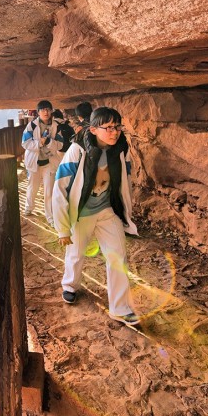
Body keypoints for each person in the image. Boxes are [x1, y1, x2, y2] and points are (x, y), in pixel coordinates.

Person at [52, 106, 141, 326]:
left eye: (117, 126)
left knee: (118, 257)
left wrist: (124, 212)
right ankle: (70, 285)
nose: (114, 132)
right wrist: (63, 228)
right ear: (93, 130)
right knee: (76, 252)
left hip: (107, 211)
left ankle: (120, 308)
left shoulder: (120, 149)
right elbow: (60, 188)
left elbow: (124, 180)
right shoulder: (77, 150)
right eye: (108, 127)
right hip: (82, 213)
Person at [22, 100, 64, 225]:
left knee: (49, 191)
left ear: (51, 111)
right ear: (38, 112)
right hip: (34, 162)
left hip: (49, 162)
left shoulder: (56, 126)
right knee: (32, 187)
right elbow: (24, 143)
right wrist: (39, 143)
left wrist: (48, 142)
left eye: (48, 109)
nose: (45, 112)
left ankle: (50, 217)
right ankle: (28, 208)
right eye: (42, 110)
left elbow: (60, 144)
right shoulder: (32, 126)